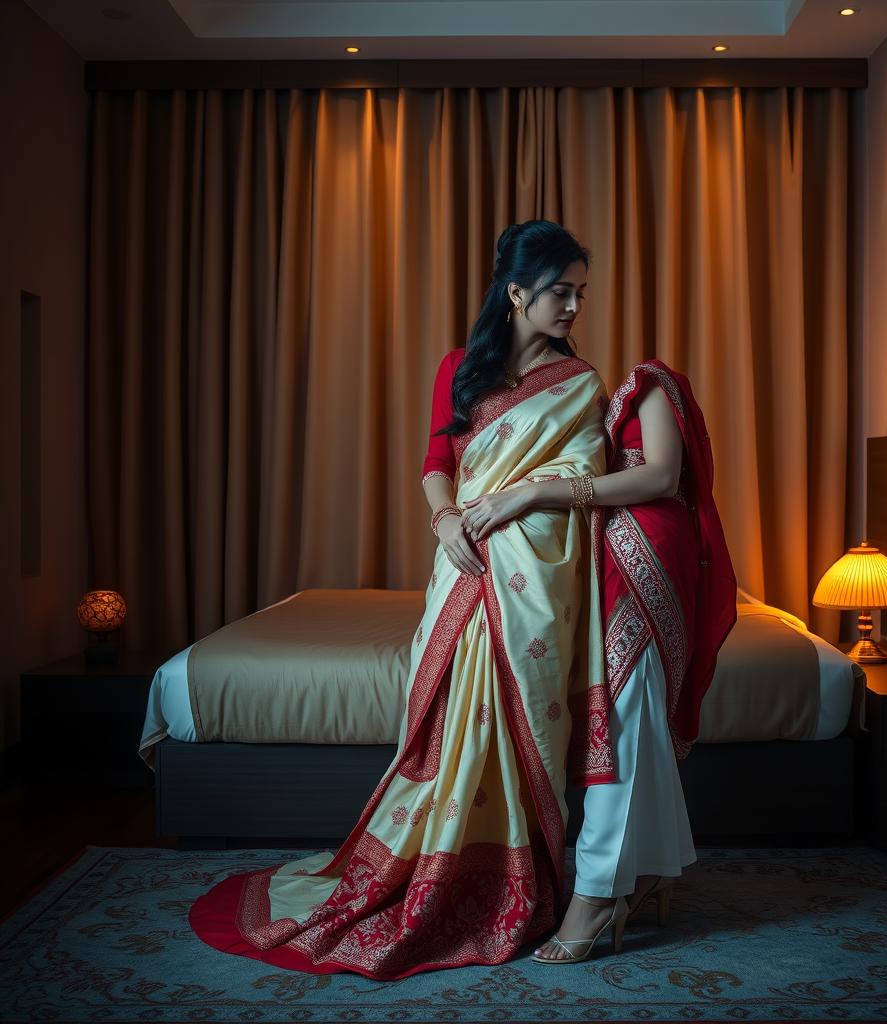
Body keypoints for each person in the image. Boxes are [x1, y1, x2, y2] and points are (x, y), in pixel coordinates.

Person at [188, 220, 622, 979]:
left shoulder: (581, 382)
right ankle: (434, 866)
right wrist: (446, 516)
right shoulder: (461, 366)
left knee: (523, 712)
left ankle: (521, 882)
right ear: (517, 292)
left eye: (581, 293)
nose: (574, 307)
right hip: (462, 560)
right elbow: (435, 461)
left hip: (537, 577)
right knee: (449, 712)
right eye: (561, 291)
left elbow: (583, 476)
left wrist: (513, 505)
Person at [461, 358, 738, 963]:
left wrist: (533, 492)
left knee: (621, 719)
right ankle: (652, 871)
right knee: (629, 722)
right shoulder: (590, 423)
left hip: (646, 554)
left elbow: (663, 477)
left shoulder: (648, 381)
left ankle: (593, 894)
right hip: (608, 555)